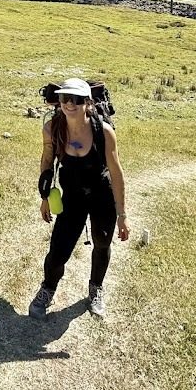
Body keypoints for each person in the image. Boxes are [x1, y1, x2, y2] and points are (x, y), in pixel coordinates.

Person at [29, 77, 129, 319]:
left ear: (88, 103)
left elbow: (116, 172)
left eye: (76, 99)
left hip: (101, 195)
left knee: (102, 242)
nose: (69, 104)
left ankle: (96, 288)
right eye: (65, 98)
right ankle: (47, 289)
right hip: (72, 196)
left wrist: (122, 215)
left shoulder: (104, 132)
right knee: (58, 250)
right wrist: (45, 197)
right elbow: (47, 161)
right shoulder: (52, 128)